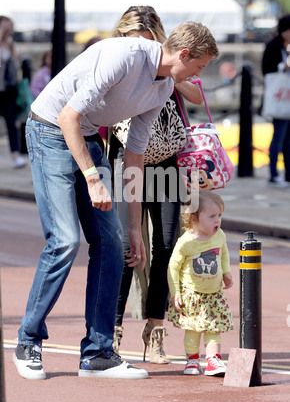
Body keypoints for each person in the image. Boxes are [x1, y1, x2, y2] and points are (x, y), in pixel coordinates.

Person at [13, 20, 219, 381]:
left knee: (112, 244)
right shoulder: (124, 56)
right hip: (48, 129)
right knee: (64, 241)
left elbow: (135, 158)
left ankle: (97, 354)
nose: (198, 75)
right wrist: (93, 178)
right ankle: (28, 340)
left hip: (87, 135)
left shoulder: (163, 87)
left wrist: (135, 231)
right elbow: (68, 116)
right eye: (199, 67)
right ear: (184, 55)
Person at [109, 6, 205, 364]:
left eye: (148, 43)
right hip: (126, 161)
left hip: (165, 162)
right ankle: (112, 332)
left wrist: (165, 76)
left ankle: (156, 329)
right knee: (125, 249)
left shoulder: (169, 65)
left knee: (167, 244)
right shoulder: (113, 61)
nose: (141, 51)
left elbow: (197, 96)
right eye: (136, 43)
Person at [167, 190, 234, 376]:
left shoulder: (219, 235)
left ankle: (213, 360)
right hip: (192, 295)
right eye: (212, 216)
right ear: (194, 218)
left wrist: (226, 272)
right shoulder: (185, 242)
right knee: (193, 329)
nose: (217, 220)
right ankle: (192, 360)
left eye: (219, 215)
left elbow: (224, 253)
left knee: (214, 327)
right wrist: (175, 293)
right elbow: (173, 267)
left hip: (214, 294)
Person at [262, 14, 290, 187]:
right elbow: (267, 70)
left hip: (287, 100)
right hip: (280, 100)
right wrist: (284, 66)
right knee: (278, 137)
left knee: (288, 140)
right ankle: (273, 173)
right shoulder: (273, 47)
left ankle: (287, 174)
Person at [0, 15, 27, 168]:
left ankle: (15, 155)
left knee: (12, 123)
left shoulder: (10, 45)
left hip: (8, 91)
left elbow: (16, 67)